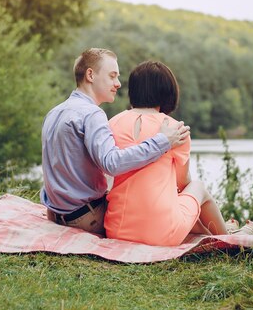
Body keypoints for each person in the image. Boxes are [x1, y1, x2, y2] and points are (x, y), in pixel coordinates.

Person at [104, 61, 253, 246]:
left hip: (117, 230)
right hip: (160, 234)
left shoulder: (113, 123)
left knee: (172, 201)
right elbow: (183, 183)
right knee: (197, 188)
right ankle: (228, 239)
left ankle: (216, 231)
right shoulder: (175, 129)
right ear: (168, 91)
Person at [40, 48, 190, 236]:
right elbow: (112, 164)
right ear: (90, 75)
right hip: (84, 219)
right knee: (159, 212)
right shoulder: (92, 114)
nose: (118, 84)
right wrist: (162, 141)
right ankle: (217, 227)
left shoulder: (55, 112)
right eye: (112, 76)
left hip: (55, 214)